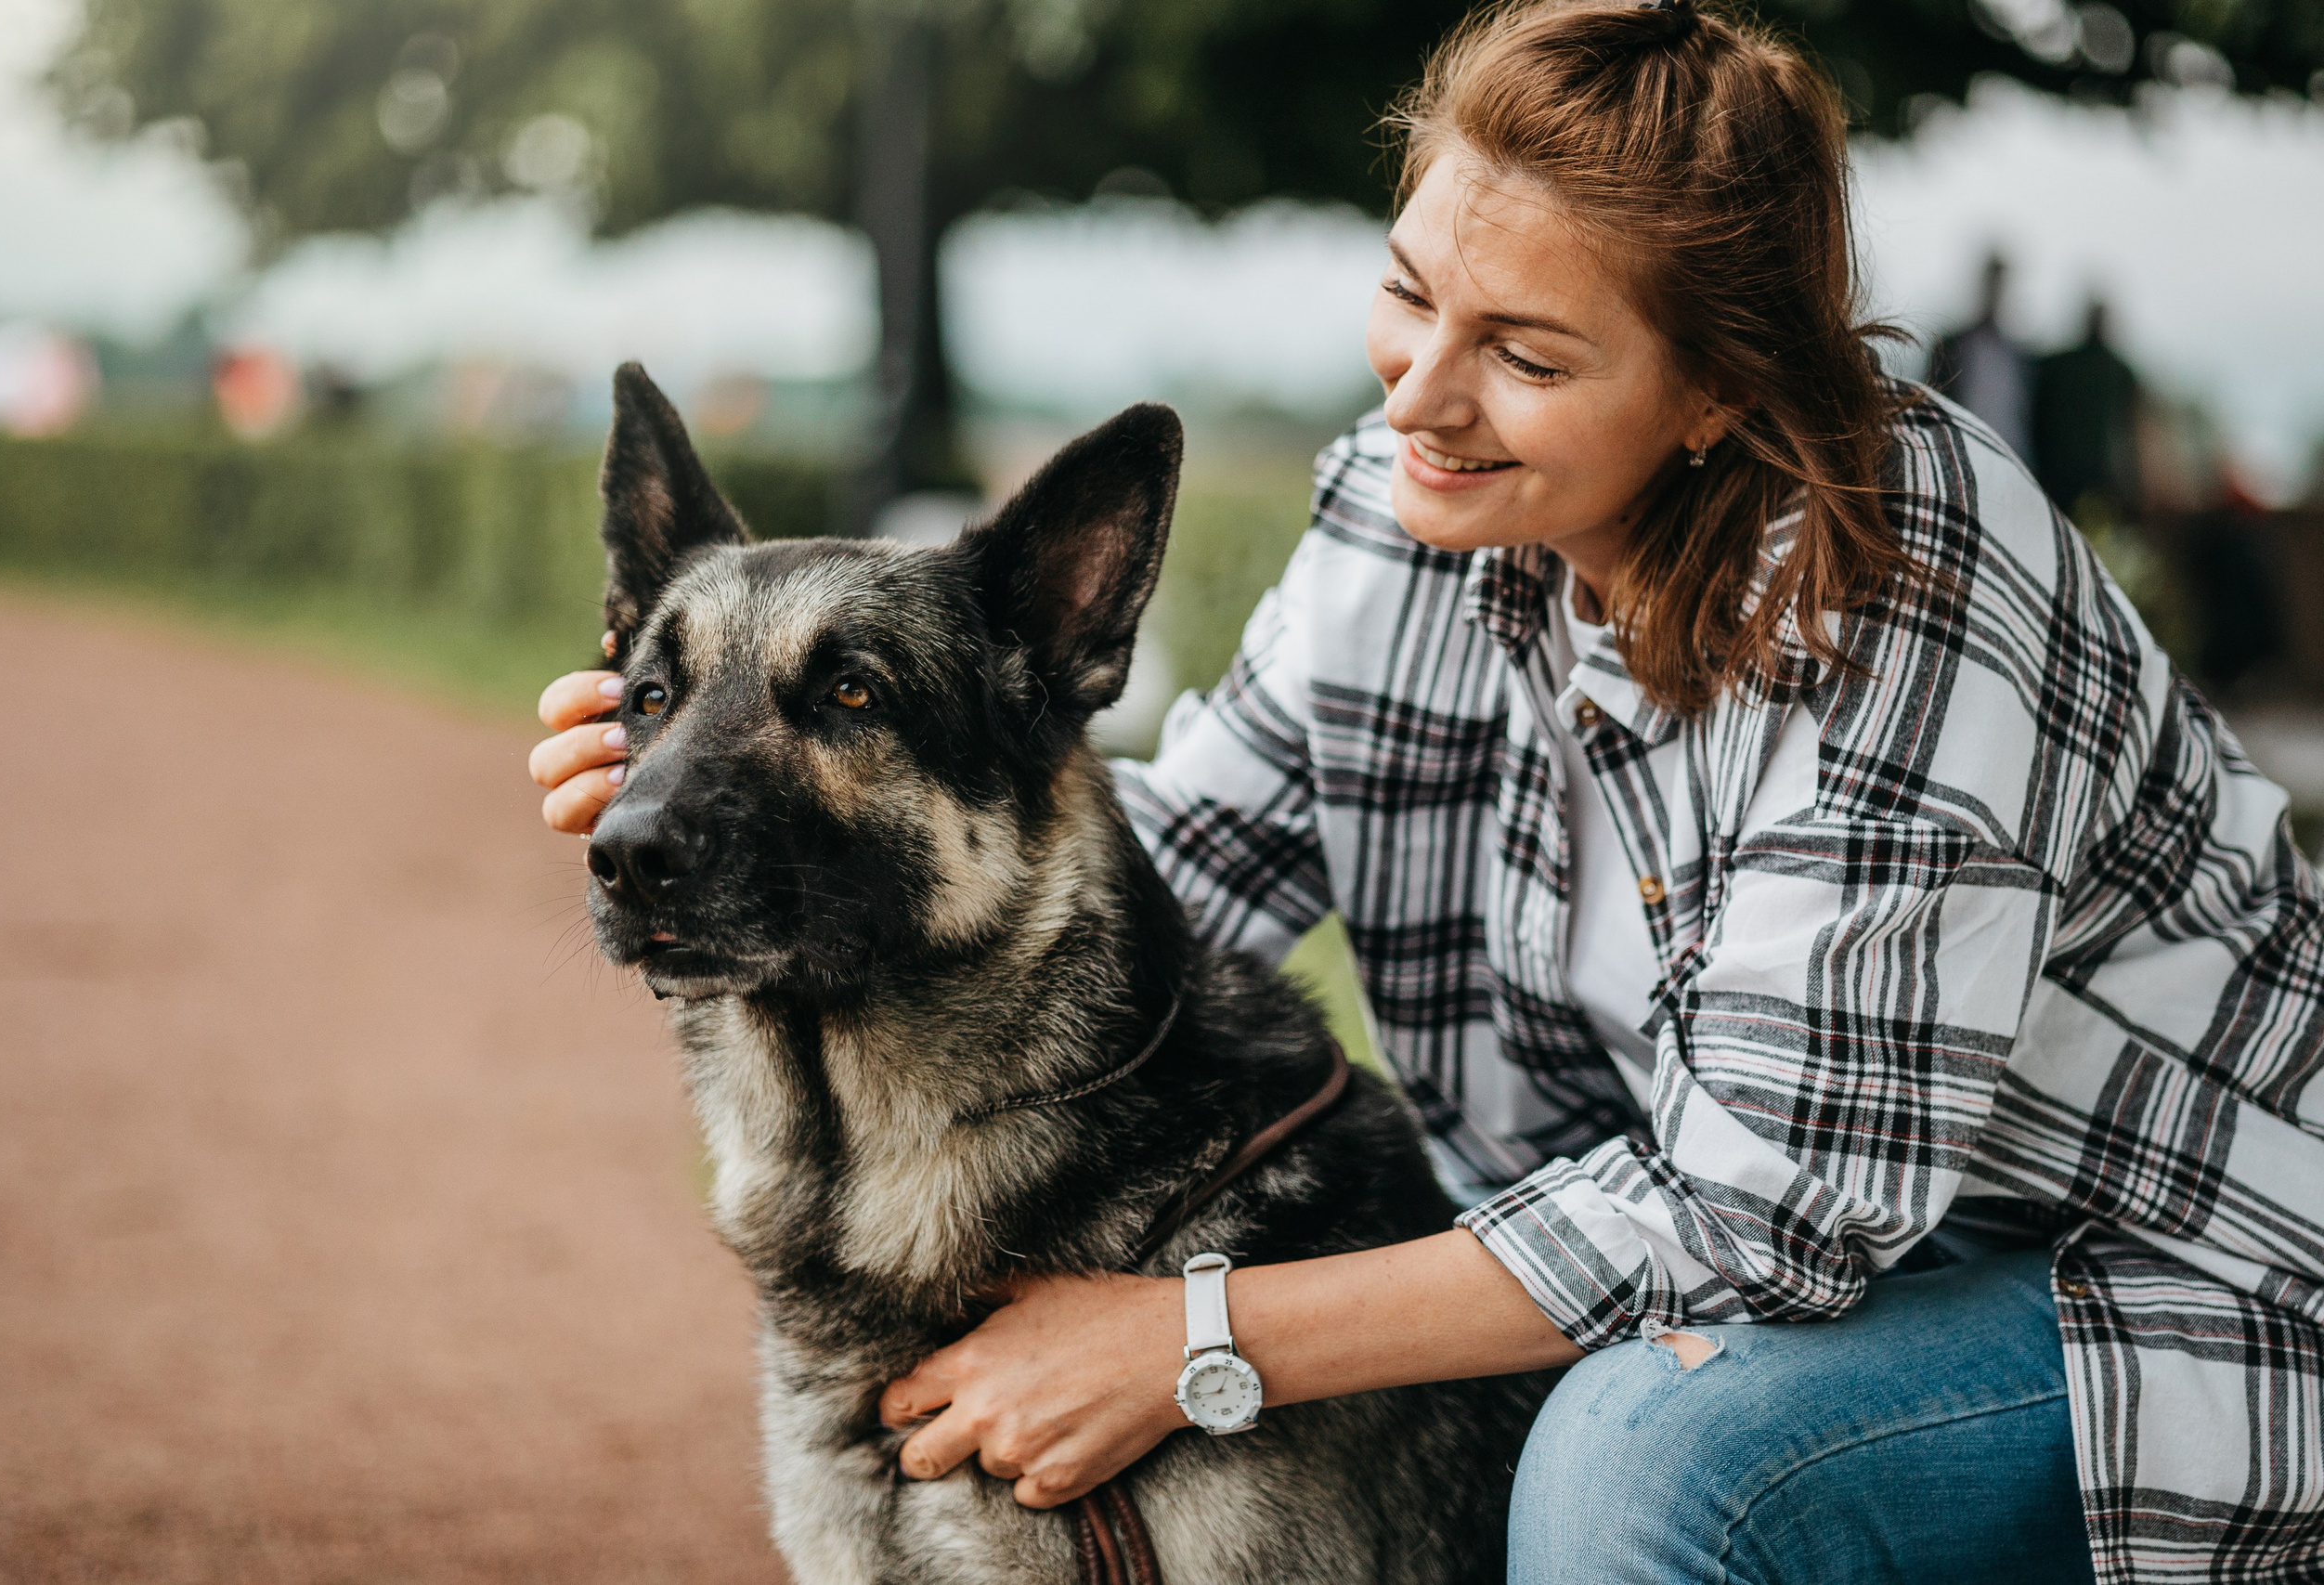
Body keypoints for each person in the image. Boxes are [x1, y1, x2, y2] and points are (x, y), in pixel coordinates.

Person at [527, 3, 2324, 1579]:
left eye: (1529, 357)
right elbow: (1179, 868)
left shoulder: (1896, 585)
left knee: (1645, 1472)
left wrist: (1184, 1338)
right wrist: (709, 802)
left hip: (2163, 1280)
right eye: (1410, 293)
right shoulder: (1407, 518)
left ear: (1715, 392)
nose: (1425, 402)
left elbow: (1760, 1216)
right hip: (1777, 1261)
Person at [2031, 295, 2142, 521]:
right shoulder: (2060, 366)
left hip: (2099, 477)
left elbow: (2129, 430)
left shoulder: (2118, 372)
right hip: (2063, 473)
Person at [1928, 250, 2036, 465]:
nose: (1998, 293)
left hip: (2009, 460)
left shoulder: (2018, 356)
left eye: (2002, 286)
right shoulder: (1951, 346)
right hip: (1959, 457)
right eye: (1993, 284)